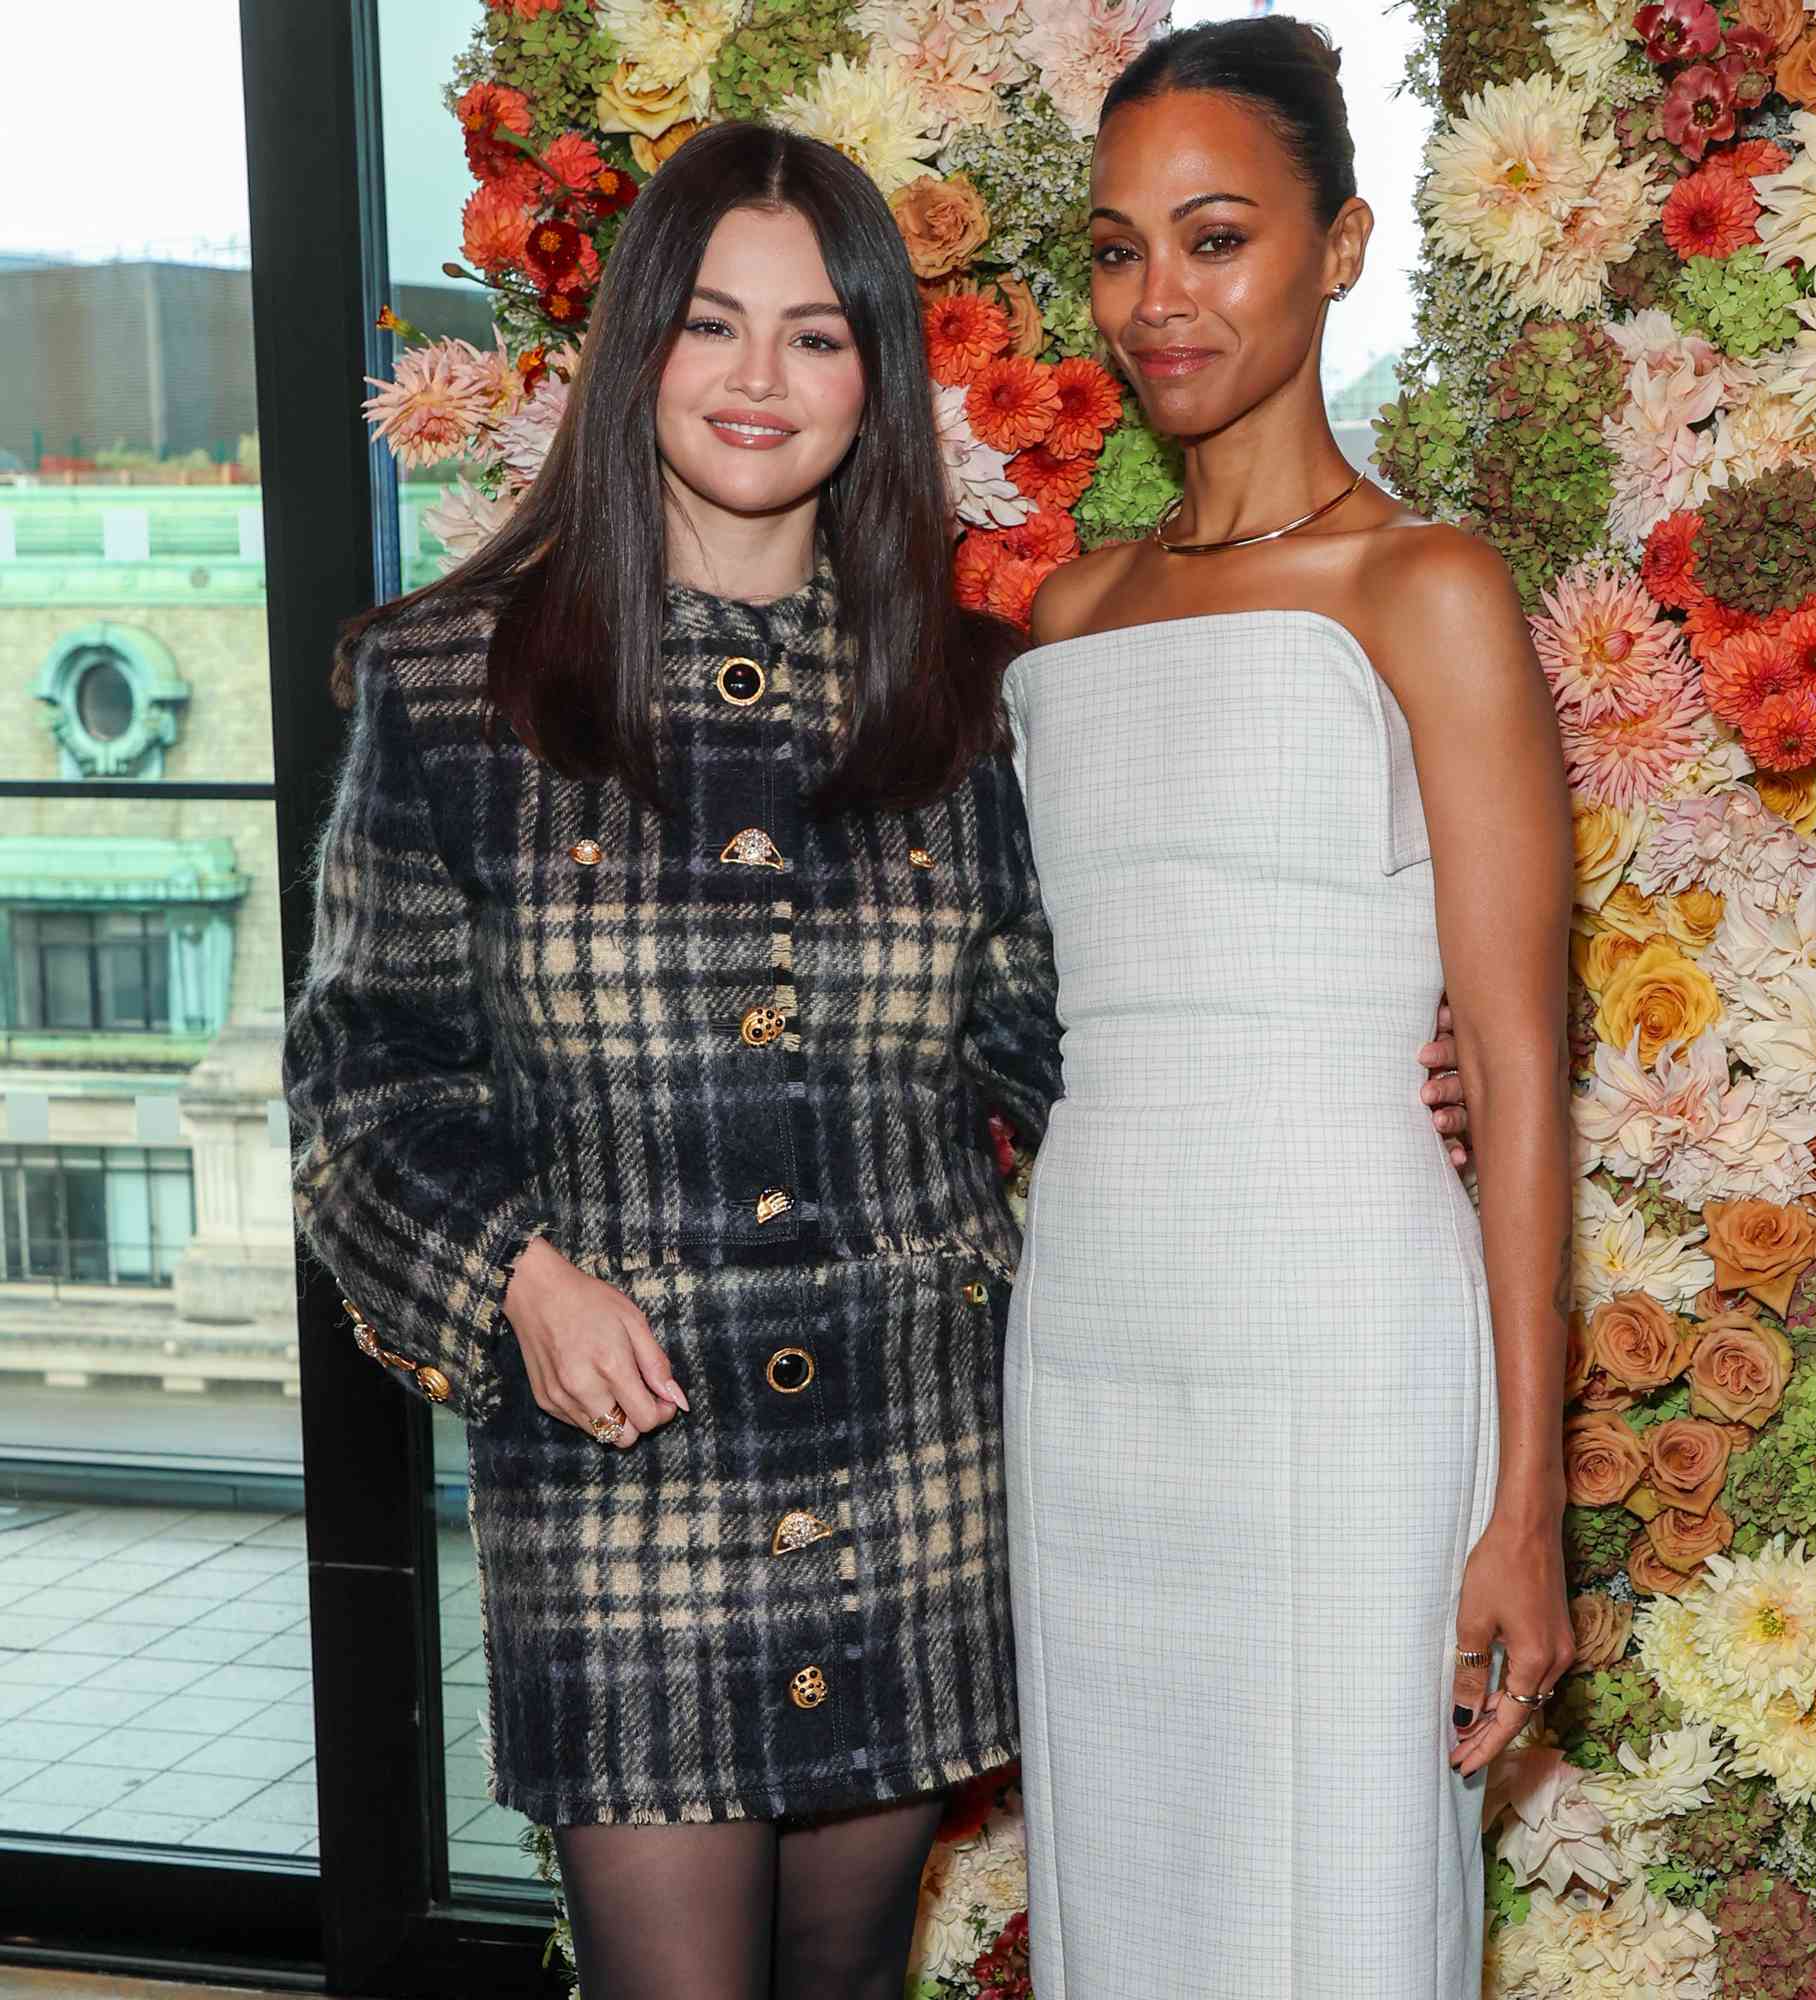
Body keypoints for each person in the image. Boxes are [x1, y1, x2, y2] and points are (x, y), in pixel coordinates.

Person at [285, 117, 1475, 2000]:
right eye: (708, 325)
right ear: (636, 356)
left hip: (914, 1460)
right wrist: (513, 1274)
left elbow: (1077, 1025)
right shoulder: (454, 687)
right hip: (626, 1480)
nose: (761, 379)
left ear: (875, 380)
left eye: (819, 335)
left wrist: (1379, 1058)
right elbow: (362, 1083)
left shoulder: (966, 694)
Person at [1000, 20, 1575, 1999]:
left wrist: (1527, 1502)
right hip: (1086, 1353)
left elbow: (1509, 1062)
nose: (1159, 299)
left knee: (1336, 1903)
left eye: (1217, 236)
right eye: (1116, 247)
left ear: (1338, 247)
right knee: (1122, 1898)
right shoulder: (1064, 618)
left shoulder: (1422, 587)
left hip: (1346, 1359)